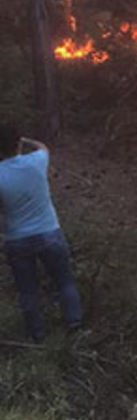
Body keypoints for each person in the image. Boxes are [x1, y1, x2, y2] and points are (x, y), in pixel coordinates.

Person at [0, 124, 83, 342]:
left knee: (27, 290)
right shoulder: (36, 161)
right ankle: (75, 325)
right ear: (17, 143)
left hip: (16, 239)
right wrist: (25, 139)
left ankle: (37, 336)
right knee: (64, 281)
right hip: (49, 232)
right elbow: (43, 147)